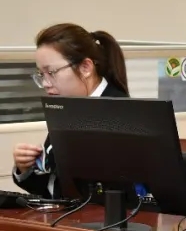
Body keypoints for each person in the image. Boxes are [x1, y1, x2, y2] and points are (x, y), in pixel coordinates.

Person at [11, 23, 130, 199]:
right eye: (41, 74)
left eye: (51, 72)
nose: (45, 84)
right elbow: (56, 188)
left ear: (85, 68)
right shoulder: (66, 109)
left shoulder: (123, 113)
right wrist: (25, 168)